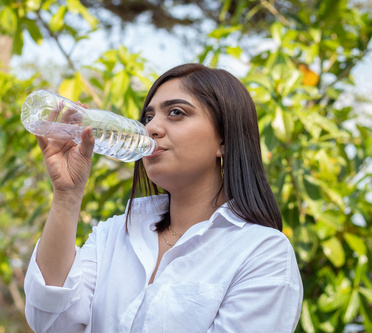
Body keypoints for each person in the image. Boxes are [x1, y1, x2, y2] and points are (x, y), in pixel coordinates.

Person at [24, 63, 303, 332]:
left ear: (224, 141)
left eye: (177, 113)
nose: (152, 128)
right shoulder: (113, 234)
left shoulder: (262, 253)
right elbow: (51, 322)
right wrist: (67, 195)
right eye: (148, 117)